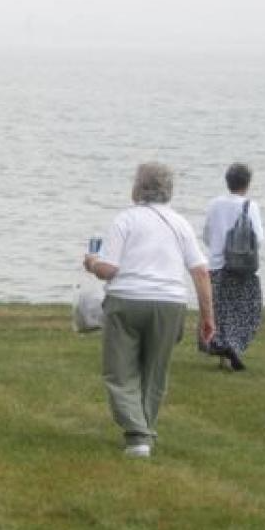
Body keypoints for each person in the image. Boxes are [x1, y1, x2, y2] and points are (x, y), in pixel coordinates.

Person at [83, 162, 216, 459]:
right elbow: (200, 272)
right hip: (170, 304)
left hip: (126, 301)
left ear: (137, 188)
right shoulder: (180, 223)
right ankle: (144, 432)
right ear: (168, 190)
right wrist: (208, 317)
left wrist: (91, 262)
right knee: (155, 371)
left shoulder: (125, 220)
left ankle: (137, 434)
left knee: (120, 371)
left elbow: (109, 269)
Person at [200, 163, 265, 371]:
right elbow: (259, 238)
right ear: (247, 183)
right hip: (241, 268)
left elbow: (207, 235)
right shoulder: (250, 206)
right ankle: (233, 349)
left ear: (227, 182)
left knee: (219, 312)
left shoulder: (214, 204)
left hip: (217, 267)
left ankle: (222, 351)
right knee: (243, 310)